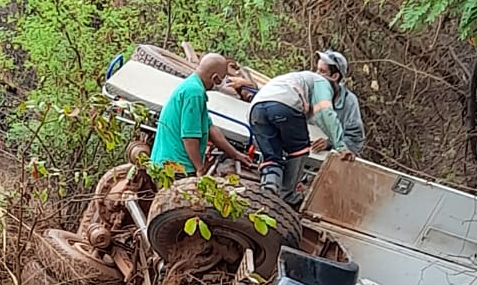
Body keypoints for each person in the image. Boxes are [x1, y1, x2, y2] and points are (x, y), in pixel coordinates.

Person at [249, 66, 354, 202]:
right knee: (299, 149)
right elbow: (325, 113)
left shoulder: (294, 79)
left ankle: (269, 188)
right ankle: (286, 195)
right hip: (286, 104)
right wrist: (341, 147)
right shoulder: (323, 83)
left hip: (256, 109)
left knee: (272, 156)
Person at [150, 53, 252, 177]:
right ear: (215, 78)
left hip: (170, 163)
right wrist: (200, 168)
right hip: (175, 167)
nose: (225, 82)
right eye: (224, 78)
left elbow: (211, 129)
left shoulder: (192, 85)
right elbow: (189, 137)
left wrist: (235, 154)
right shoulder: (194, 93)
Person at [315, 49, 365, 156]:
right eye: (317, 70)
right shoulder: (310, 92)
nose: (316, 75)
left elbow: (355, 140)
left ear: (335, 77)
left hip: (331, 161)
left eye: (322, 72)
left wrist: (329, 143)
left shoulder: (349, 102)